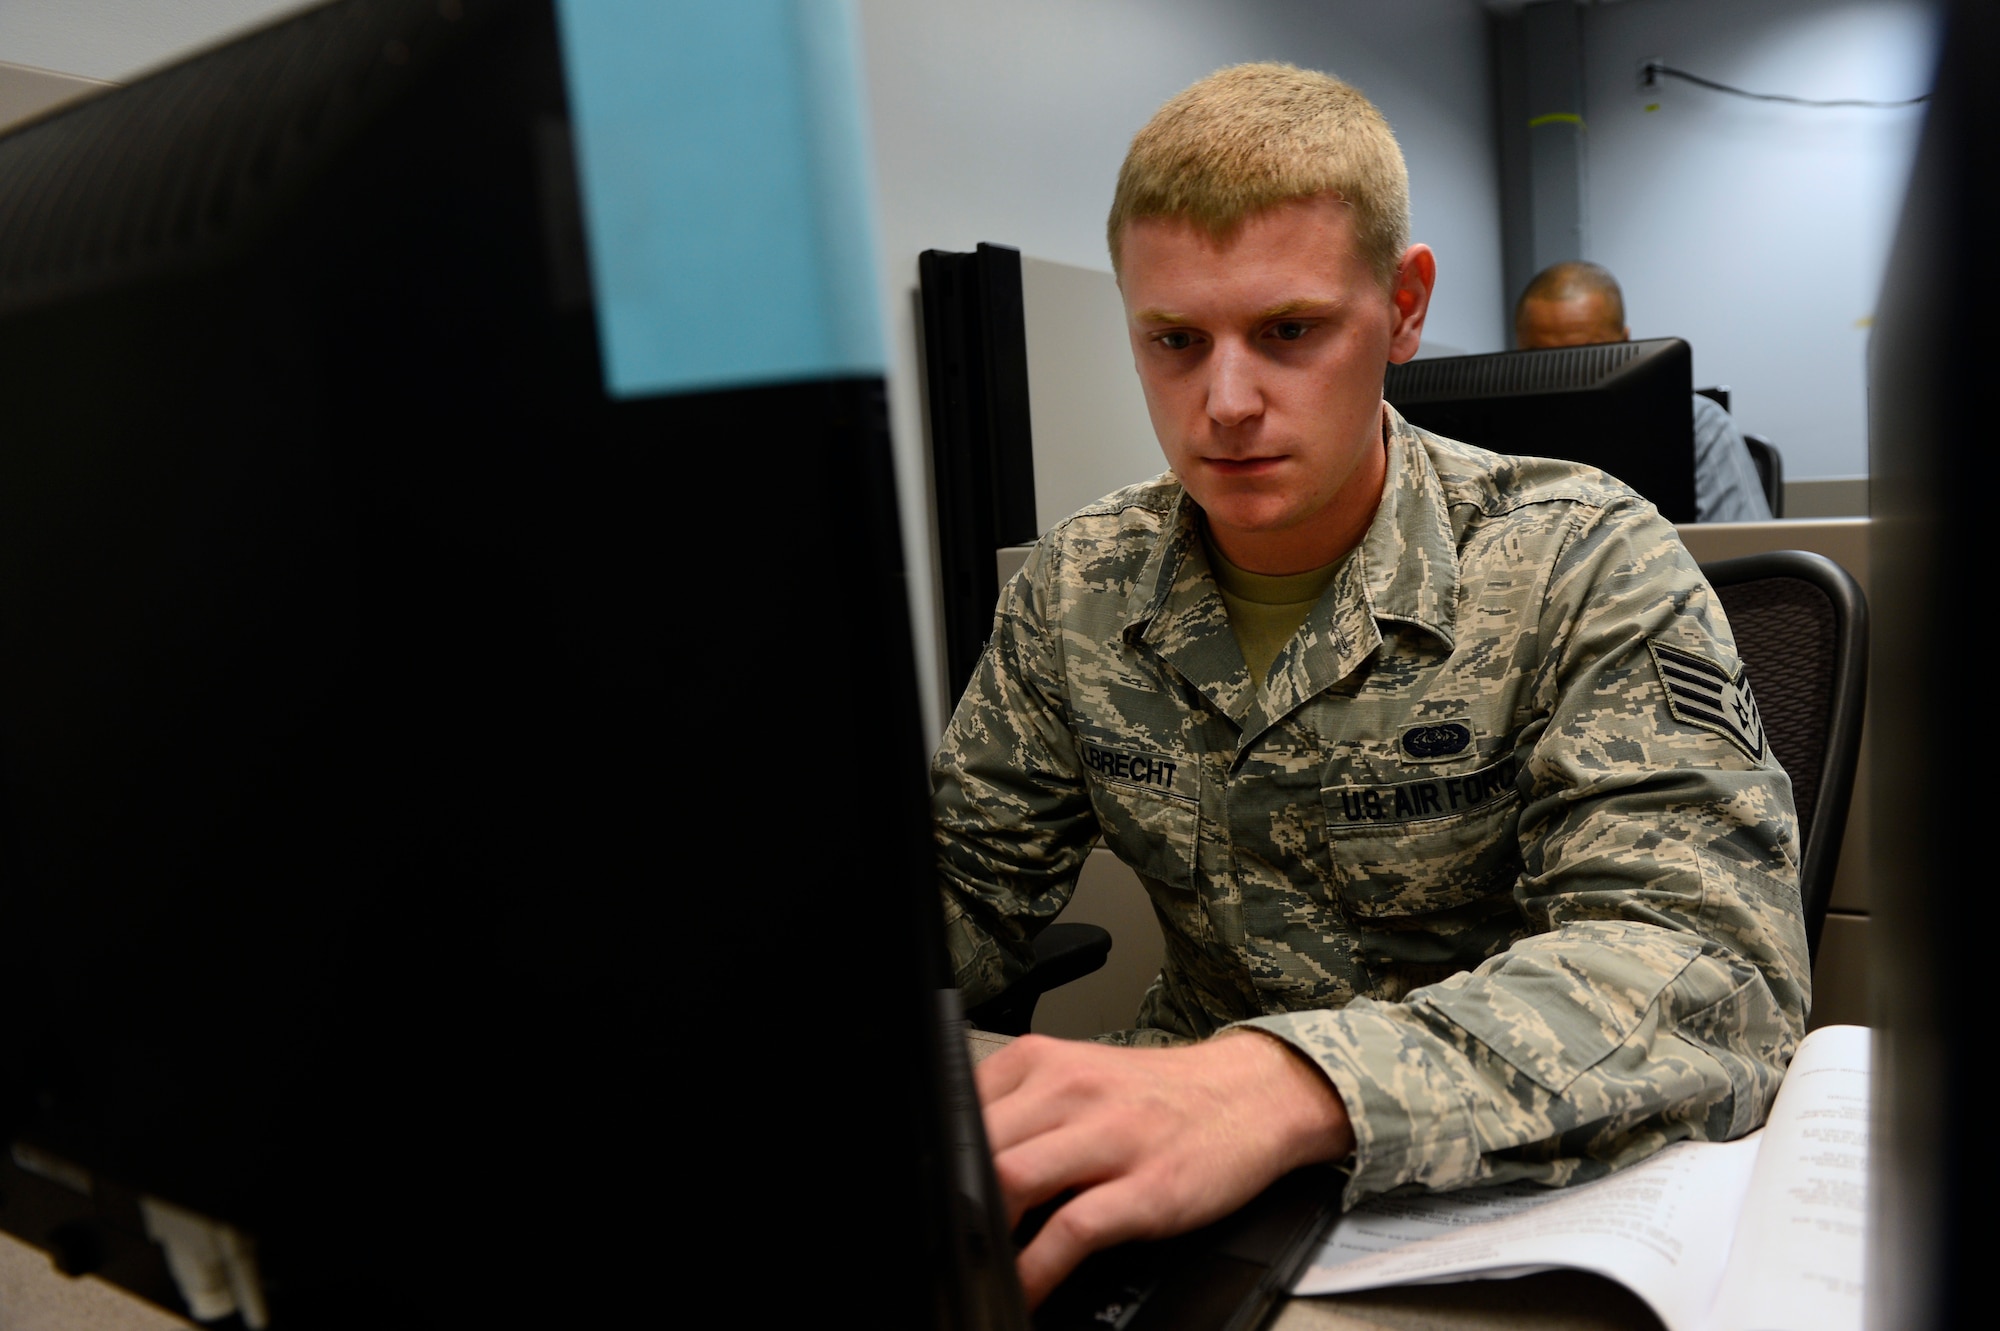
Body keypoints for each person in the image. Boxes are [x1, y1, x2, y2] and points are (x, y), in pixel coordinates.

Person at [934, 63, 1807, 1309]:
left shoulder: (1579, 557)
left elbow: (1709, 969)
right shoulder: (1078, 584)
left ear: (1401, 309)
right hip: (1178, 1173)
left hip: (1504, 1183)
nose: (1223, 404)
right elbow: (963, 885)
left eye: (1288, 331)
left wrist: (1280, 1084)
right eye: (1174, 341)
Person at [1514, 260, 1774, 523]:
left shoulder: (1699, 425)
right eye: (1542, 358)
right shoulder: (1491, 429)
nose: (1564, 373)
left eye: (1583, 356)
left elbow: (1740, 549)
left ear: (1625, 342)